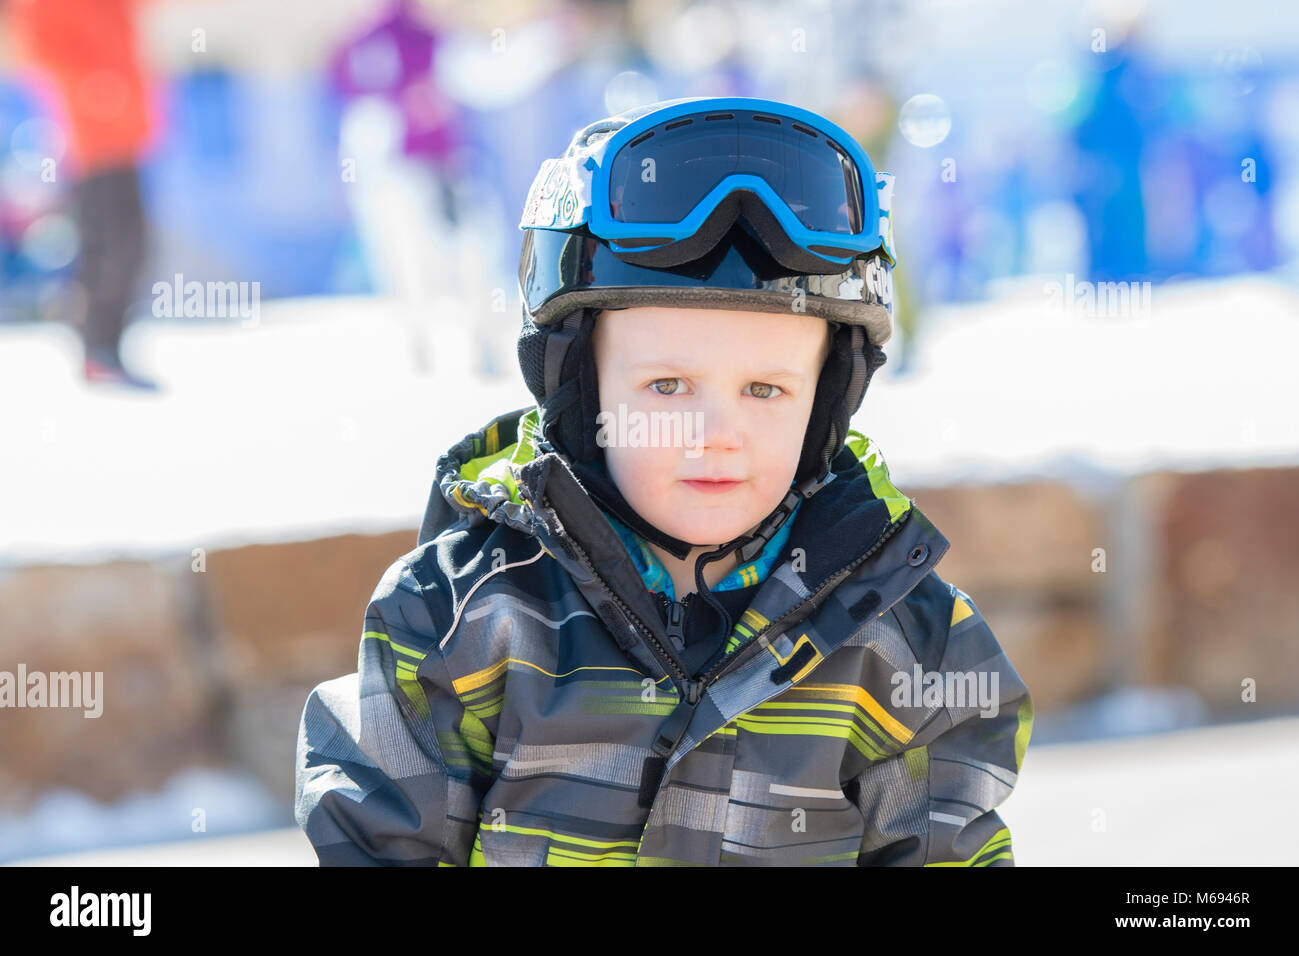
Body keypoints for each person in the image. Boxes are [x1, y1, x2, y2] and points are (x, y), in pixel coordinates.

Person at [294, 96, 1034, 866]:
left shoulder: (905, 639)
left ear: (827, 400)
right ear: (579, 388)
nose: (717, 432)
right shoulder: (464, 616)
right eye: (669, 386)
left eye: (765, 390)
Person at [7, 0, 159, 390]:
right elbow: (41, 44)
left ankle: (101, 345)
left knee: (132, 246)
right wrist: (93, 87)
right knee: (114, 247)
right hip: (94, 137)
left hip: (125, 134)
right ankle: (98, 348)